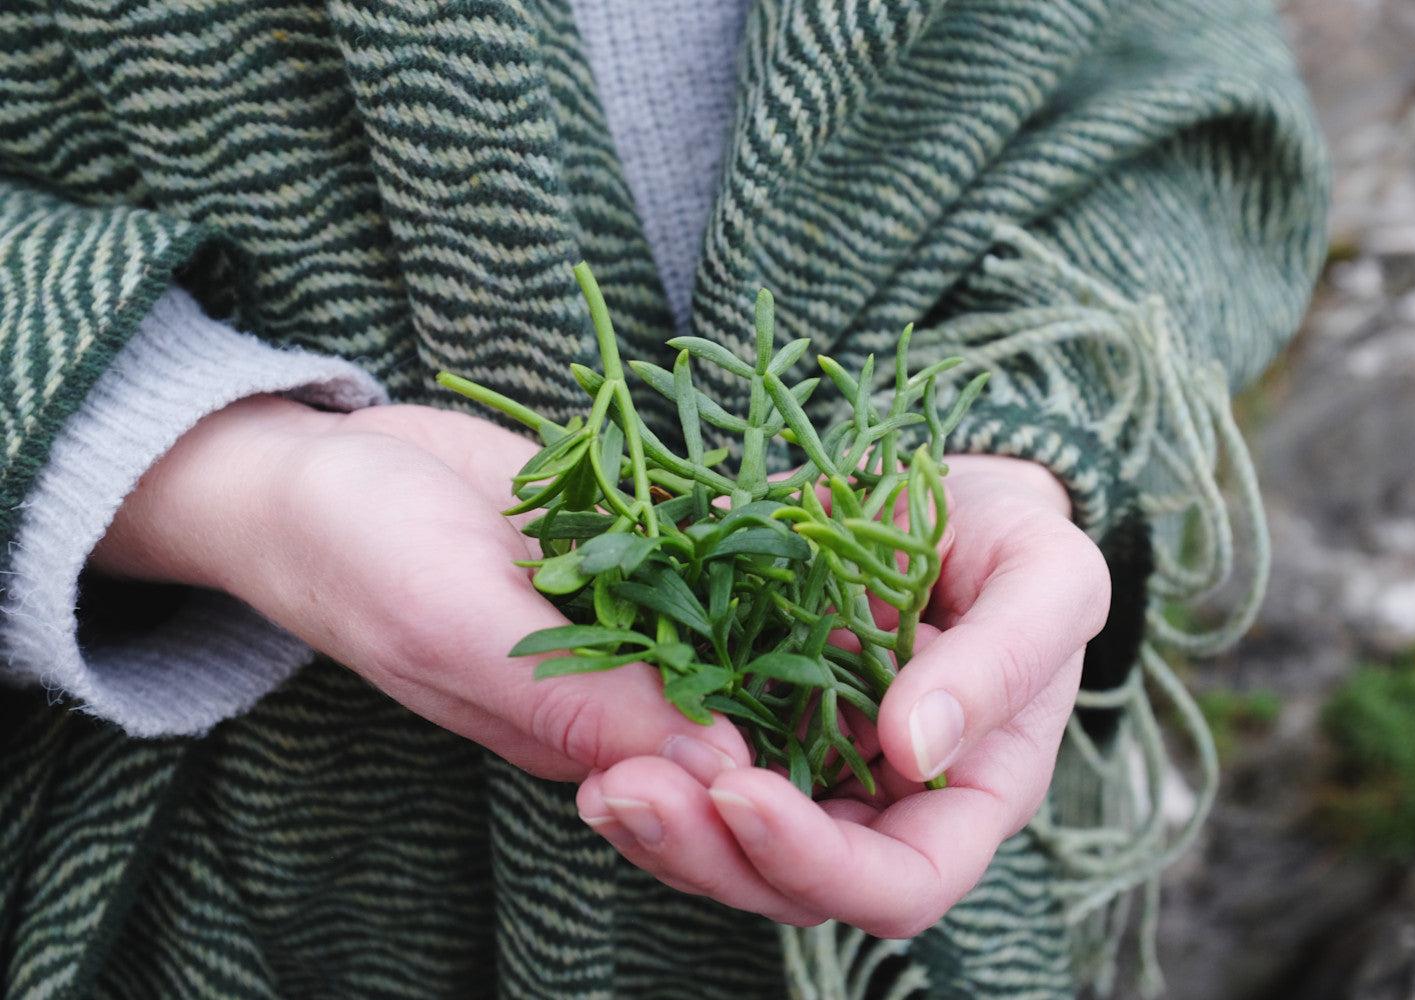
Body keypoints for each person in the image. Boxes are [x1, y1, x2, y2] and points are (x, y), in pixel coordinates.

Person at [0, 0, 1327, 997]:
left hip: (941, 855)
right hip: (235, 870)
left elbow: (1179, 66)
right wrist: (205, 468)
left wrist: (1010, 439)